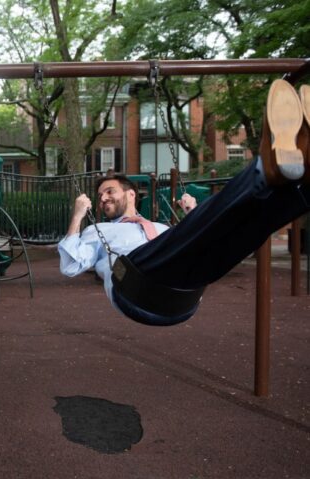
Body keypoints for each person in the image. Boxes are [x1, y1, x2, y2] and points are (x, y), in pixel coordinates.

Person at [59, 79, 310, 325]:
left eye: (109, 191)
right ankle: (264, 169)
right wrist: (78, 216)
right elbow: (70, 267)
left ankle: (301, 190)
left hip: (180, 297)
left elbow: (189, 244)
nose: (103, 199)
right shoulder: (98, 231)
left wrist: (193, 216)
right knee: (184, 238)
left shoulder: (161, 229)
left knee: (237, 238)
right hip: (134, 288)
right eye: (100, 196)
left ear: (131, 194)